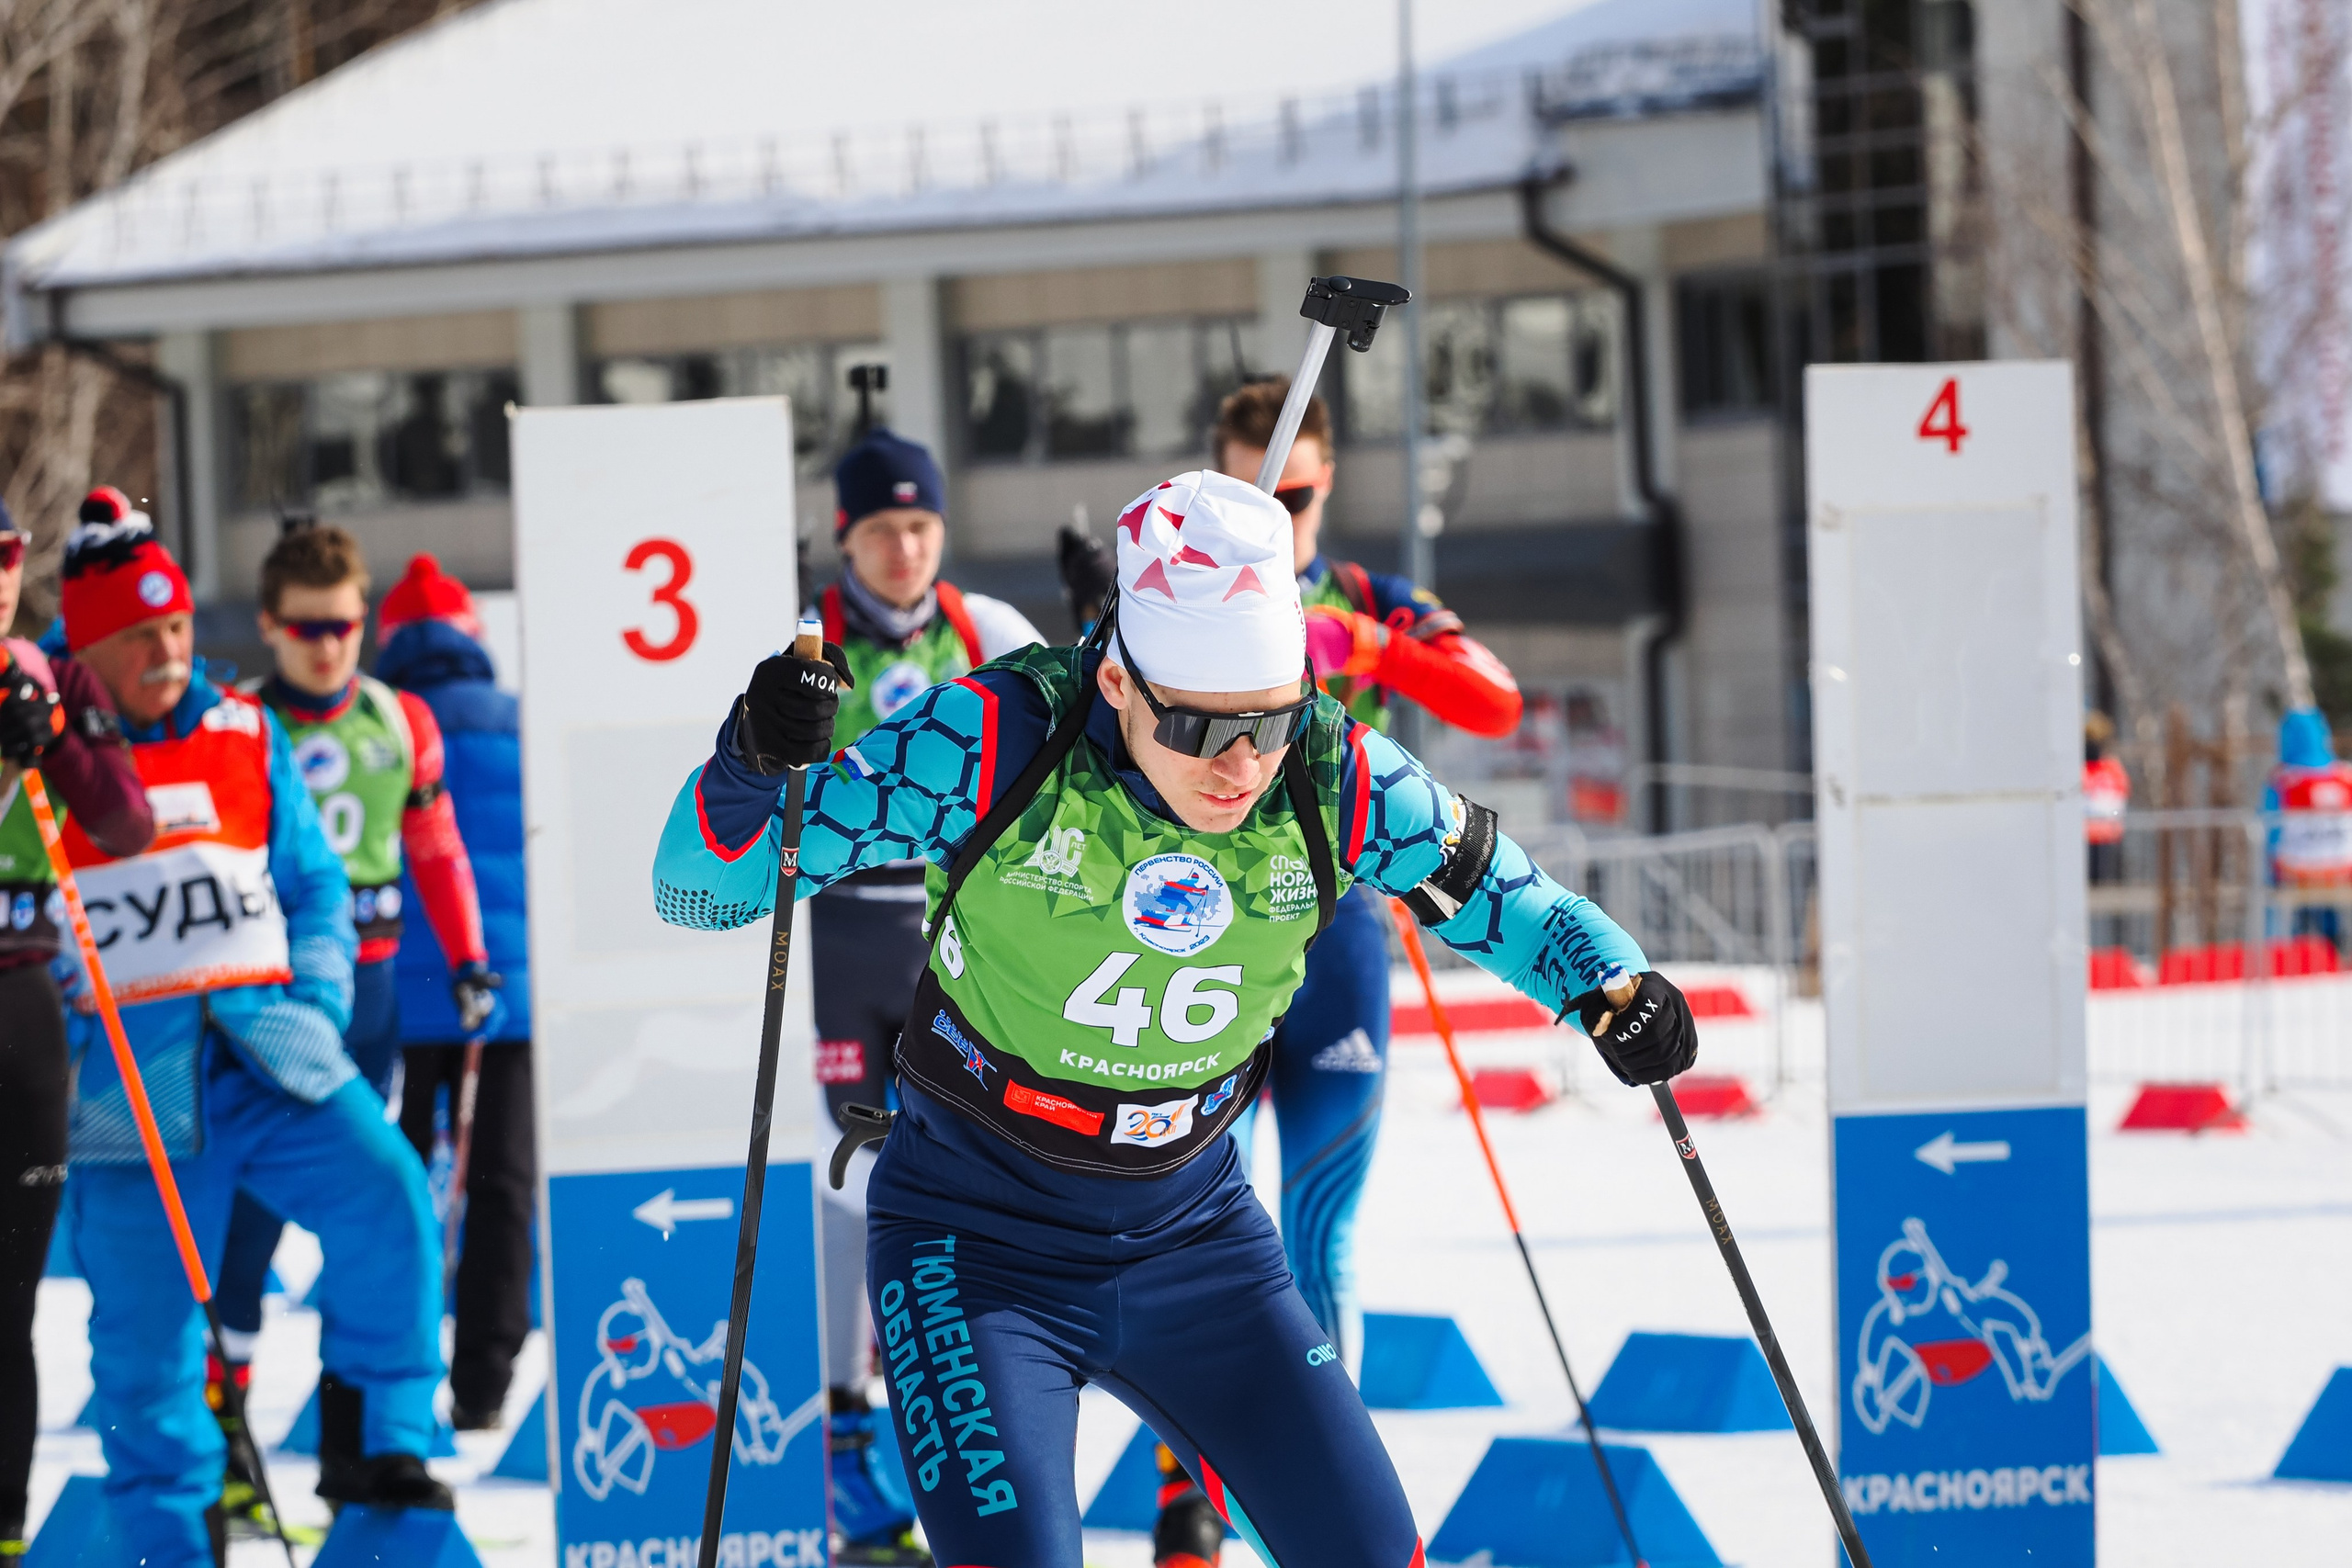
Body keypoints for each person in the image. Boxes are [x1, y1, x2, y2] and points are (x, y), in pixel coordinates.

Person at [653, 468, 1697, 1568]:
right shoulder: (995, 740)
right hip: (975, 1247)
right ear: (1115, 679)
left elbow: (1513, 904)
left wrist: (1612, 986)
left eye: (1270, 721)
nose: (1240, 765)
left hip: (1197, 1242)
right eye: (1197, 726)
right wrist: (751, 759)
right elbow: (699, 891)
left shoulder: (1332, 769)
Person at [1062, 380, 1525, 1565]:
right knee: (1179, 1225)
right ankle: (1190, 1492)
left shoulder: (1364, 596)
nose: (1286, 511)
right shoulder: (1171, 608)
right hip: (1183, 941)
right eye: (1258, 493)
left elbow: (1495, 698)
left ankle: (1303, 1520)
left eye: (1300, 493)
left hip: (1330, 950)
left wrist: (1352, 642)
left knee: (1318, 1234)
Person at [51, 491, 450, 1564]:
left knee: (390, 1199)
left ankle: (388, 1448)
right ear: (88, 650)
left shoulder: (243, 730)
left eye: (178, 626)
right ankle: (170, 1533)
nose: (171, 650)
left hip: (270, 1053)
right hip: (130, 1088)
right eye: (141, 636)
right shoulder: (43, 757)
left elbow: (315, 887)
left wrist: (315, 999)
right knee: (145, 1342)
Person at [208, 525, 501, 1501]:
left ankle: (362, 1446)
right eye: (305, 629)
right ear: (268, 626)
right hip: (258, 998)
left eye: (342, 624)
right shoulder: (236, 724)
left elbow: (439, 845)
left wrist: (468, 958)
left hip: (368, 998)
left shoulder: (399, 719)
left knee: (369, 1214)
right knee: (247, 1222)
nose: (327, 646)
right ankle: (230, 1447)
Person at [807, 428, 1039, 1561]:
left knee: (957, 1179)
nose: (904, 548)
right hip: (842, 938)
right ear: (844, 536)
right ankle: (842, 1431)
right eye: (880, 529)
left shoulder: (986, 631)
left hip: (956, 938)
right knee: (846, 1183)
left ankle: (936, 1420)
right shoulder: (809, 637)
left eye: (921, 525)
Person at [0, 498, 154, 1554]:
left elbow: (126, 822)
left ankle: (3, 1523)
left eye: (5, 559)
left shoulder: (48, 671)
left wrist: (47, 734)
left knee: (9, 1295)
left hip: (19, 995)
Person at [373, 552, 534, 1431]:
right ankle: (484, 1380)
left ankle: (392, 1371)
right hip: (505, 995)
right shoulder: (519, 722)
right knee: (500, 1186)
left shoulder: (380, 726)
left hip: (395, 993)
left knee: (397, 1187)